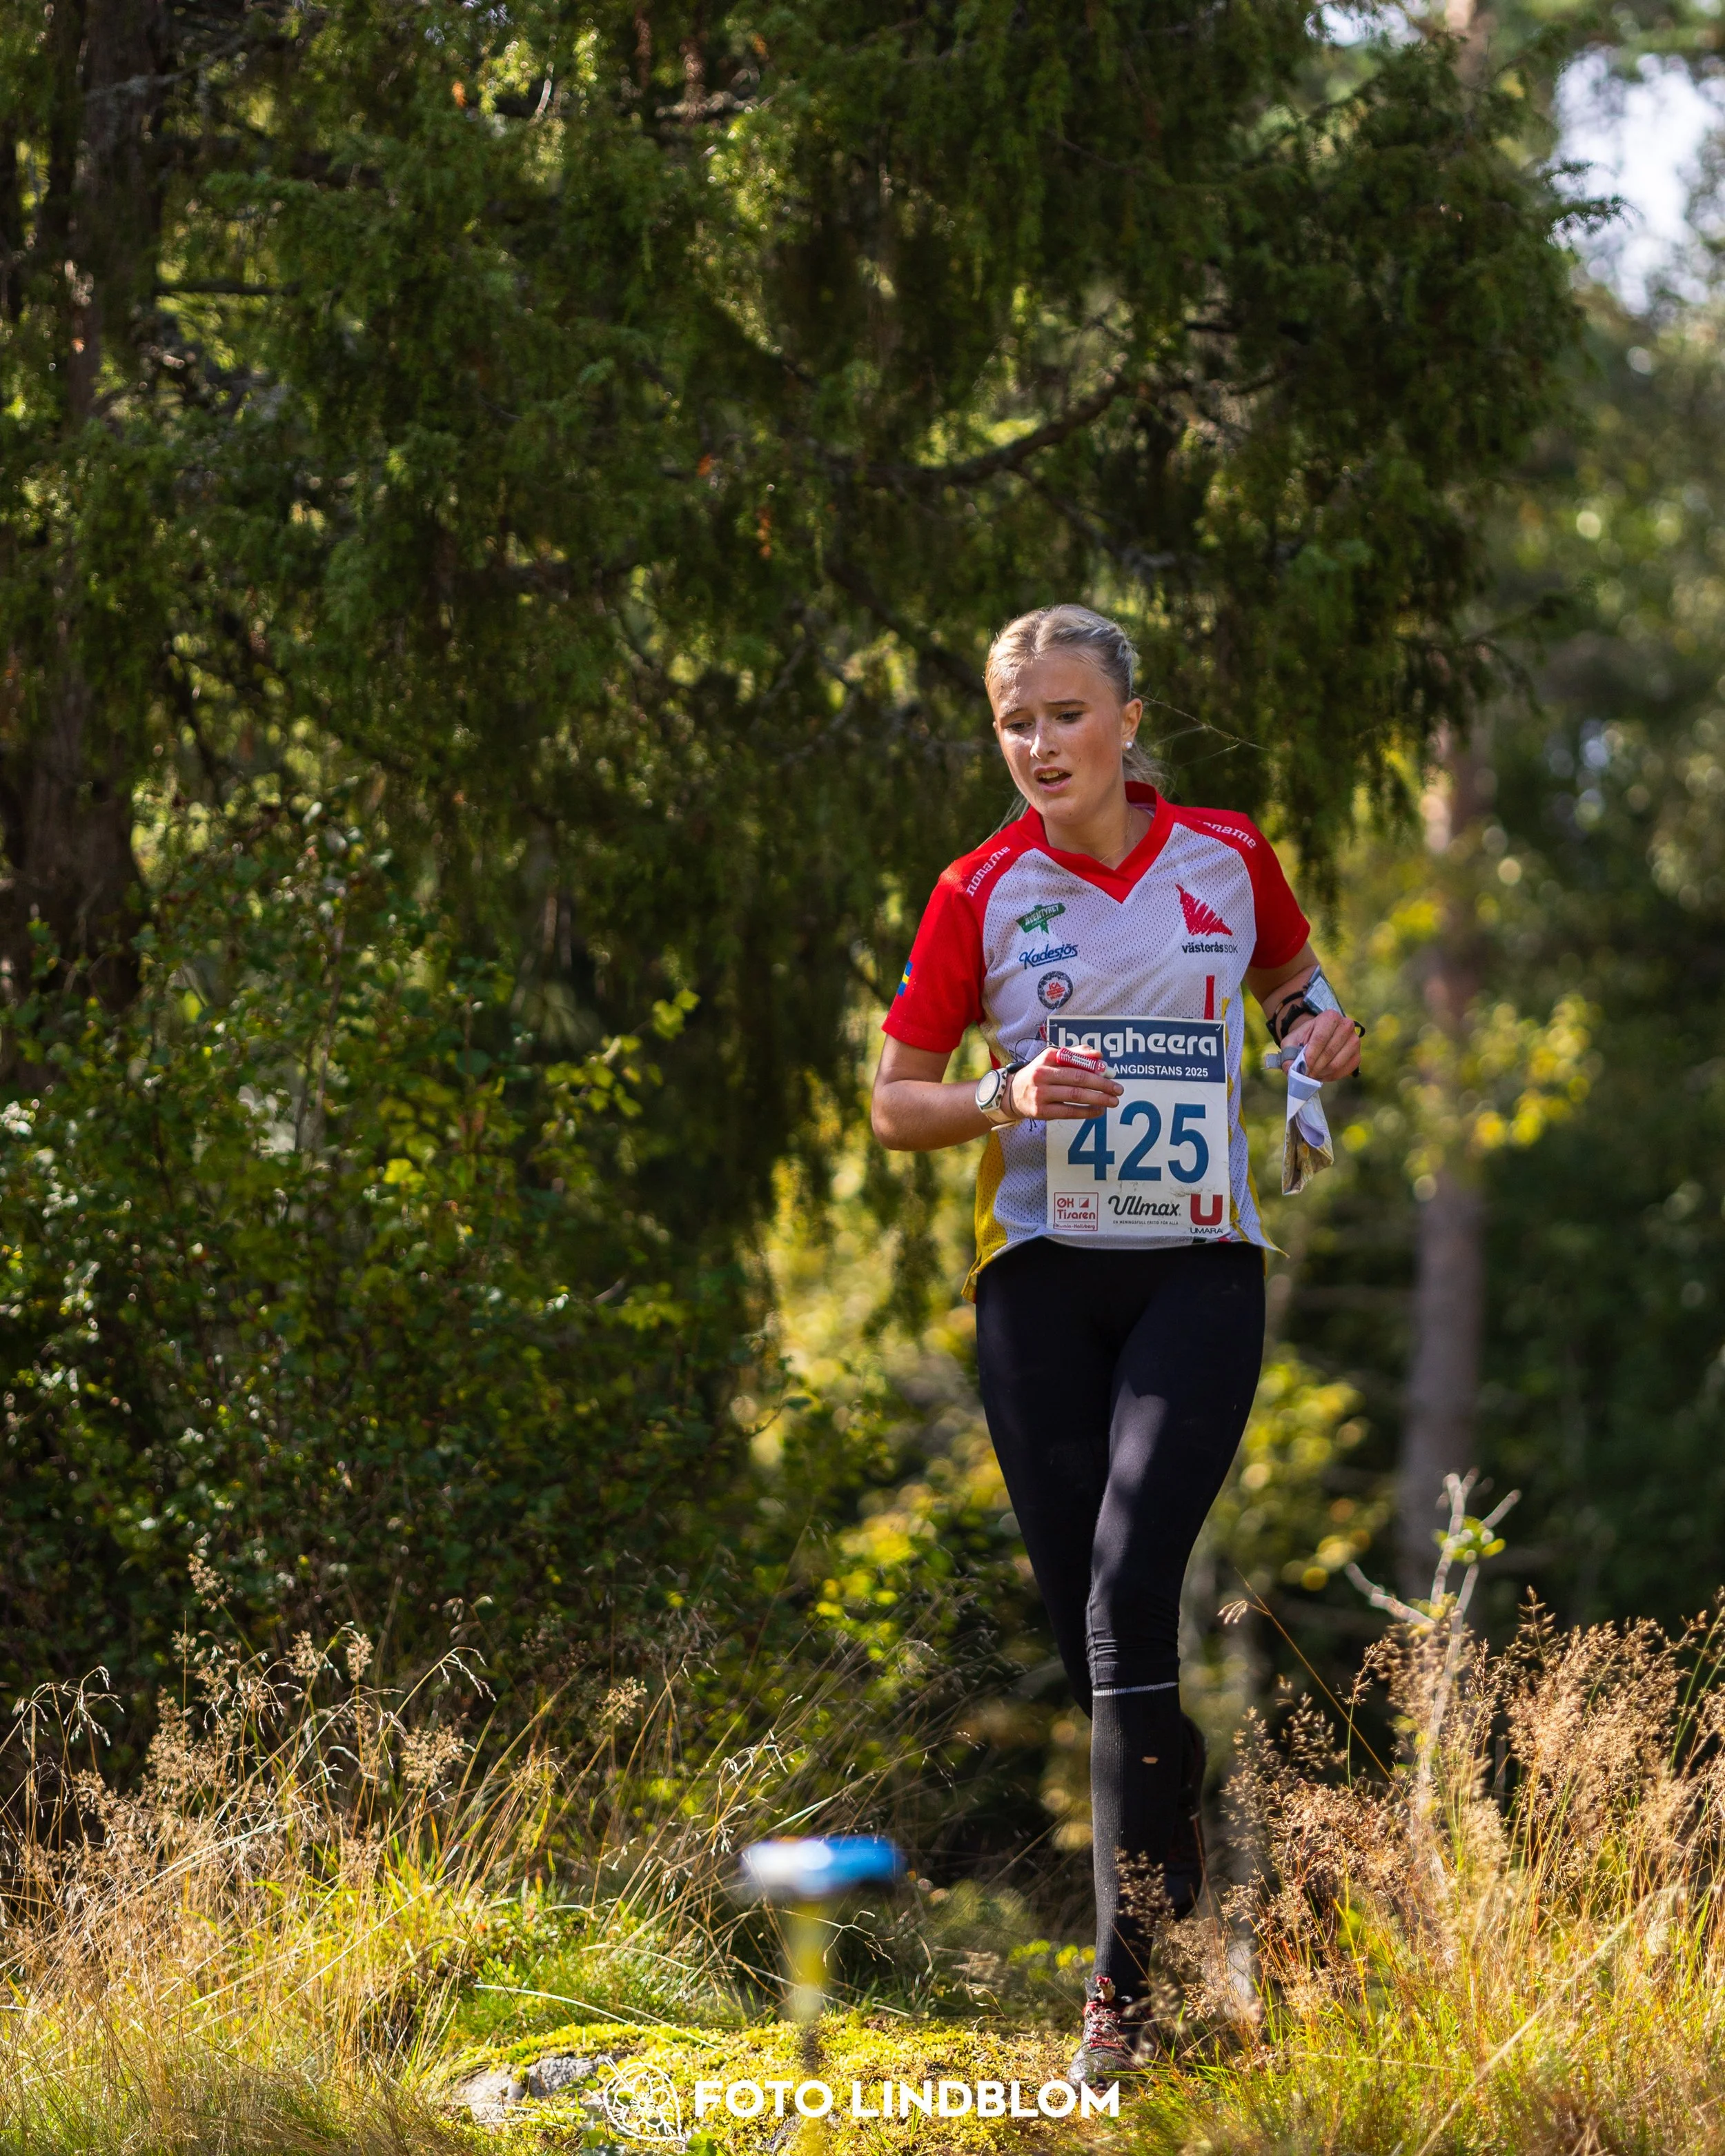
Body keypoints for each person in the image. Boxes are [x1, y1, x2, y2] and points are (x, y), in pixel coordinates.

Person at [870, 604, 1359, 2086]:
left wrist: (1323, 1034)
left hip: (1196, 1265)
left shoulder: (1225, 851)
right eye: (1013, 722)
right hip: (1035, 1278)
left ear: (1126, 720)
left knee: (1129, 1576)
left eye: (1063, 715)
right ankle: (1172, 1814)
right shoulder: (978, 888)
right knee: (1104, 1646)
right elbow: (896, 1100)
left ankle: (1114, 2001)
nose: (1036, 747)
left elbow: (1296, 985)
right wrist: (1005, 1094)